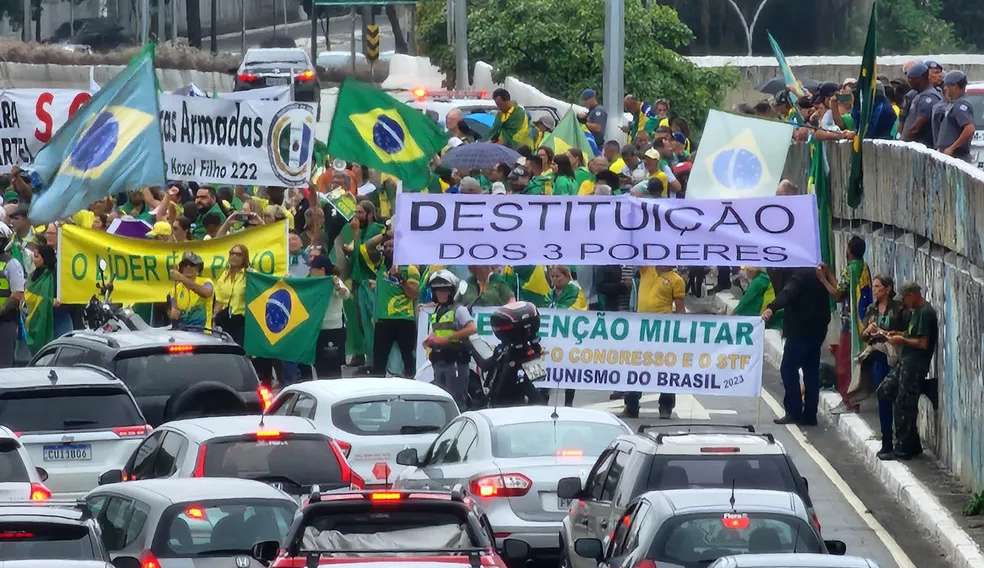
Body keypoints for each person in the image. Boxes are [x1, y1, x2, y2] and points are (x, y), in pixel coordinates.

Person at [762, 268, 831, 426]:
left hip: (800, 332)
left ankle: (793, 410)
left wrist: (771, 307)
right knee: (811, 373)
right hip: (817, 332)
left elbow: (787, 293)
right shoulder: (818, 273)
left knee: (788, 369)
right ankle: (810, 415)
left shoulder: (798, 276)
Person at [885, 282, 937, 460]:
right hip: (906, 362)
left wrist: (901, 340)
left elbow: (922, 343)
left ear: (913, 295)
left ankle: (904, 447)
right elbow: (912, 334)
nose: (904, 303)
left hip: (915, 365)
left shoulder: (925, 312)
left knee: (904, 404)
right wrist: (897, 333)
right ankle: (911, 442)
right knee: (888, 390)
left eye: (905, 298)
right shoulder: (916, 312)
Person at [626, 266, 686, 419]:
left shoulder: (676, 280)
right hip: (641, 330)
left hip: (663, 332)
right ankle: (631, 405)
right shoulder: (646, 269)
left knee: (666, 368)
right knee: (636, 366)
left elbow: (680, 309)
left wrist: (683, 331)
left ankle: (666, 406)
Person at [858, 275, 907, 459]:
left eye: (878, 287)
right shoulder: (872, 308)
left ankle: (902, 441)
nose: (875, 290)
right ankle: (887, 441)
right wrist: (868, 331)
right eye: (874, 286)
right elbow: (863, 335)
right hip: (878, 358)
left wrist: (889, 334)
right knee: (883, 399)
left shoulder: (898, 309)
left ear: (887, 289)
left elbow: (906, 332)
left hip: (895, 359)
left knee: (900, 401)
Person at [367, 235, 419, 376]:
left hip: (404, 320)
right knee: (379, 361)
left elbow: (414, 294)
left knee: (408, 358)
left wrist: (400, 279)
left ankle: (411, 387)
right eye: (387, 246)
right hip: (383, 320)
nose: (389, 249)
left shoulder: (410, 268)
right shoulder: (380, 265)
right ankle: (378, 392)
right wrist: (387, 234)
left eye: (393, 246)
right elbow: (369, 247)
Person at [423, 270, 476, 407]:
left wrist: (447, 339)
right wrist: (429, 341)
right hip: (439, 362)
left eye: (444, 290)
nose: (441, 294)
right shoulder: (437, 311)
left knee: (456, 400)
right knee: (442, 401)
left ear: (452, 291)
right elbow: (438, 332)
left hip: (455, 362)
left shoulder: (459, 310)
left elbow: (472, 328)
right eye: (437, 291)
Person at [548, 265, 588, 407]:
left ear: (567, 276)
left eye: (558, 276)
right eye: (553, 276)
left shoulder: (575, 291)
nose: (555, 280)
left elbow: (575, 310)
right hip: (552, 340)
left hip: (569, 339)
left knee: (569, 371)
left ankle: (568, 403)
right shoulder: (551, 293)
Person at [308, 255, 350, 379]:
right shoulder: (311, 282)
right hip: (317, 329)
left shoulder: (333, 280)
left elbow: (345, 294)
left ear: (321, 269)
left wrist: (337, 286)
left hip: (333, 329)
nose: (310, 271)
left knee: (333, 365)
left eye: (313, 269)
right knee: (319, 364)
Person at [936, 71, 976, 161]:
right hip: (949, 155)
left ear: (956, 86)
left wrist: (952, 148)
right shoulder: (953, 104)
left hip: (957, 157)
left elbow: (969, 128)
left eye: (947, 86)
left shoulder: (960, 105)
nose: (945, 88)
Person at [213, 244, 249, 345]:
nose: (234, 256)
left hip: (241, 321)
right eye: (232, 253)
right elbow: (219, 301)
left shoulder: (250, 275)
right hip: (224, 320)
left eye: (238, 254)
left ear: (244, 257)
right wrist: (214, 319)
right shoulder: (223, 275)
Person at [168, 252, 214, 330]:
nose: (188, 267)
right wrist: (172, 312)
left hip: (203, 333)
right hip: (182, 334)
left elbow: (206, 293)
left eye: (192, 264)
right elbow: (173, 311)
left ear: (198, 268)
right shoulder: (175, 289)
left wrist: (181, 278)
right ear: (181, 268)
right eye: (185, 265)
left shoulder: (206, 282)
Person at [901, 63, 942, 148]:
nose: (909, 81)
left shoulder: (929, 97)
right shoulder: (916, 94)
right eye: (908, 78)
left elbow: (917, 127)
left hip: (923, 147)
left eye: (912, 78)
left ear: (922, 77)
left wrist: (903, 143)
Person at [0, 232, 24, 367]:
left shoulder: (12, 264)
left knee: (3, 364)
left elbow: (17, 295)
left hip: (5, 321)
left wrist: (1, 312)